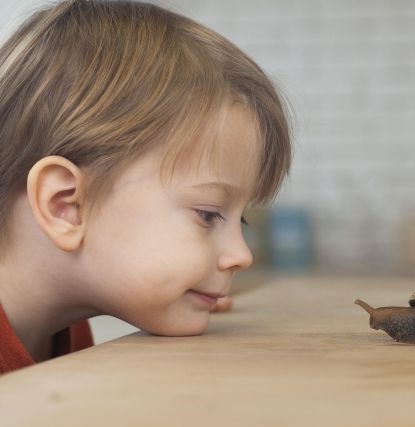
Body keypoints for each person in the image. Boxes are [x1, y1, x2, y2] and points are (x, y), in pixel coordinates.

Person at [0, 0, 291, 374]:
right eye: (208, 214)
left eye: (241, 221)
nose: (241, 256)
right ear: (66, 205)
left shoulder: (62, 327)